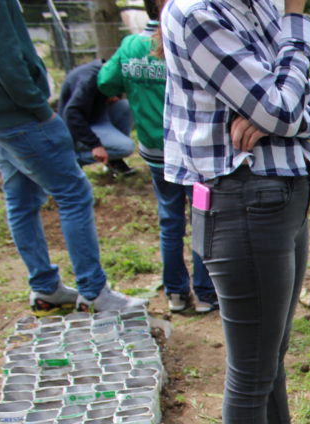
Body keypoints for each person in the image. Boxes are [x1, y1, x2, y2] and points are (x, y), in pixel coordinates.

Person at [162, 0, 310, 424]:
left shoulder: (256, 6)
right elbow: (284, 106)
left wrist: (281, 114)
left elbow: (305, 106)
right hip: (241, 203)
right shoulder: (198, 12)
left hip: (284, 193)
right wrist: (295, 31)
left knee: (273, 346)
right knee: (251, 365)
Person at [0, 0, 148, 314]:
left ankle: (45, 288)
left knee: (21, 199)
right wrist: (41, 111)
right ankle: (94, 292)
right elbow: (8, 62)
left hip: (3, 121)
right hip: (25, 117)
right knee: (74, 194)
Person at [97, 0, 218, 314]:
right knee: (203, 220)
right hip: (192, 151)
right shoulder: (186, 41)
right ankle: (206, 293)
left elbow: (106, 81)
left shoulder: (130, 46)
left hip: (154, 150)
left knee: (170, 221)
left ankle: (177, 294)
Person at [58, 59, 137, 175]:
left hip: (97, 117)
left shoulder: (105, 71)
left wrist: (111, 95)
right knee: (126, 147)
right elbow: (71, 113)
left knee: (125, 107)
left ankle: (114, 160)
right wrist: (95, 145)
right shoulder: (88, 80)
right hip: (77, 127)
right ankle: (71, 159)